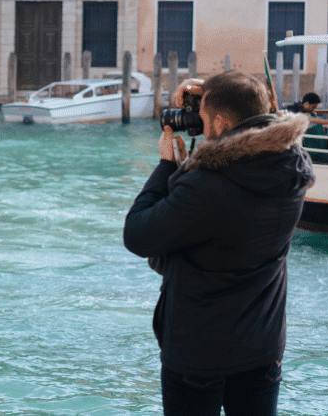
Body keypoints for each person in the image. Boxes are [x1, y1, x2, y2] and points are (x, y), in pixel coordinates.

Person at [123, 70, 315, 416]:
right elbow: (259, 108)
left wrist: (167, 166)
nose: (198, 122)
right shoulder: (294, 164)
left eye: (204, 117)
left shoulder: (204, 186)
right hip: (262, 344)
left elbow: (137, 235)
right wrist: (210, 90)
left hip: (199, 352)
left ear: (223, 124)